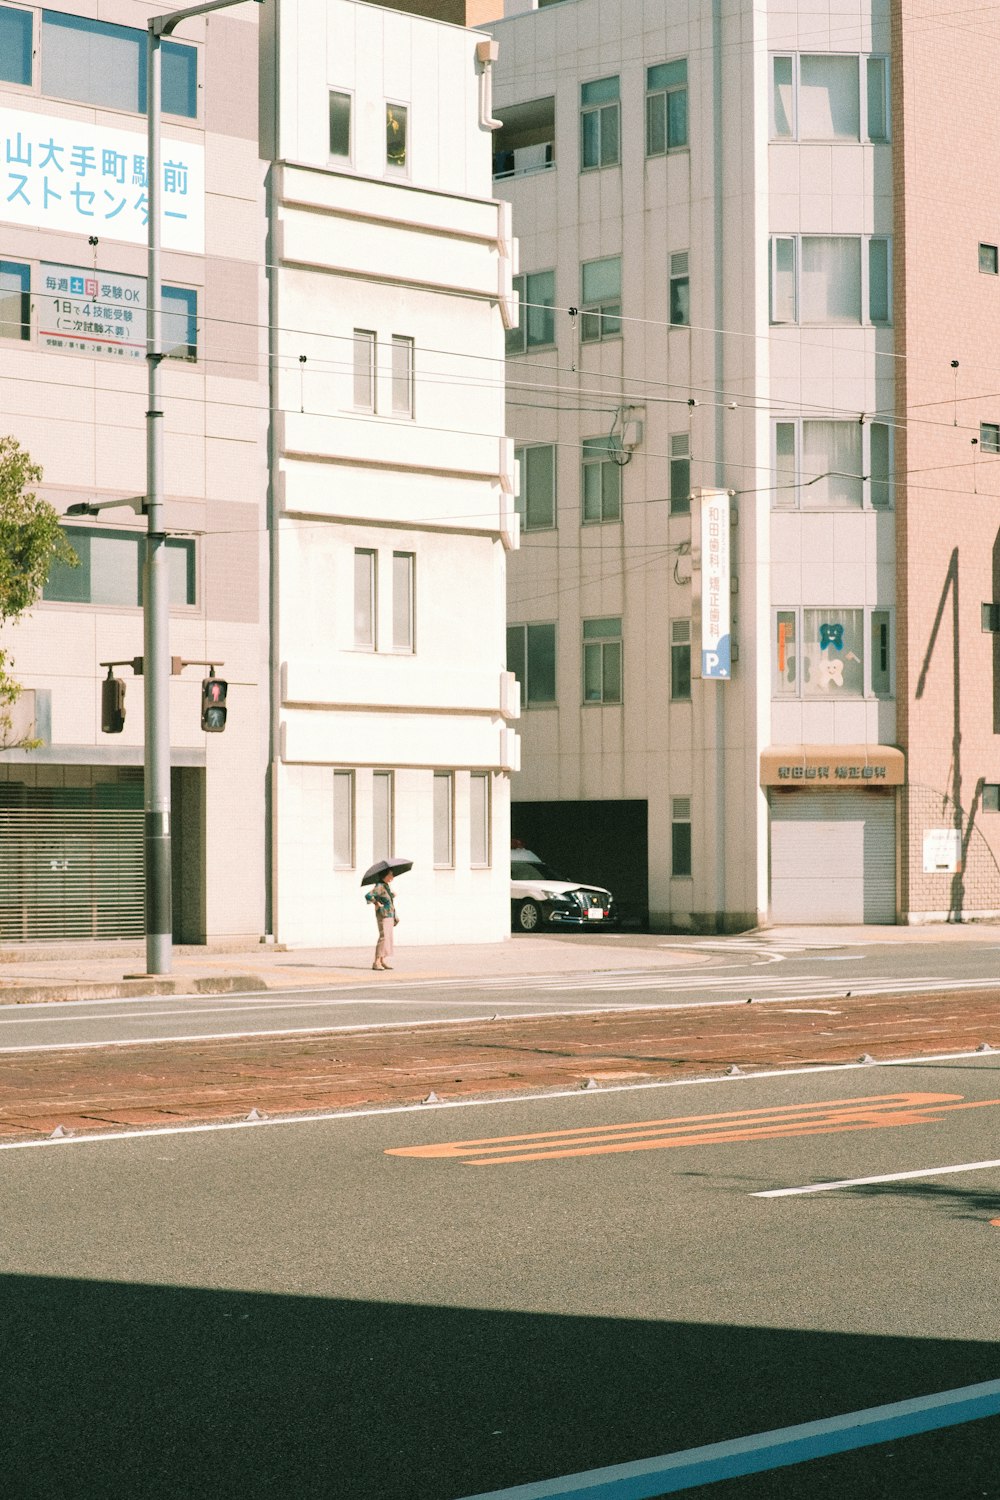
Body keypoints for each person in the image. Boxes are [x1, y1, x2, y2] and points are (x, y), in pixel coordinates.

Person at [366, 870, 398, 970]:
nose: (392, 877)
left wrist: (392, 895)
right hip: (383, 914)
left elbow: (384, 898)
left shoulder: (385, 886)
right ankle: (376, 962)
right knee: (383, 937)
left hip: (389, 914)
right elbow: (368, 896)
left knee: (388, 938)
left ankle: (382, 960)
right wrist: (376, 903)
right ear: (385, 875)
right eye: (390, 875)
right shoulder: (379, 886)